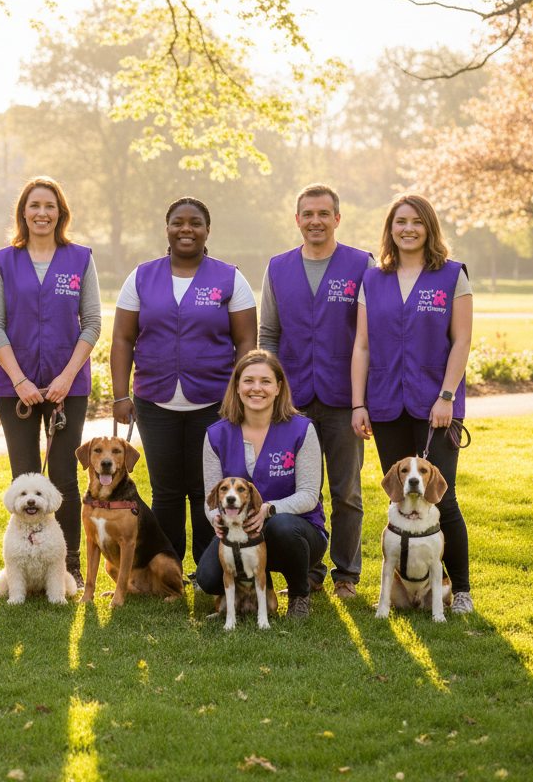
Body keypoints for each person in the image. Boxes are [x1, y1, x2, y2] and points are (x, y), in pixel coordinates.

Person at [111, 197, 257, 573]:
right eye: (178, 222)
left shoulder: (229, 278)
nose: (186, 229)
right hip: (153, 401)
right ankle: (169, 566)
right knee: (166, 490)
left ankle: (211, 568)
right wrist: (121, 395)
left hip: (213, 403)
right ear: (167, 229)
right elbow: (123, 339)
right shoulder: (141, 276)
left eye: (195, 223)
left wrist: (239, 397)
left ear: (208, 230)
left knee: (205, 489)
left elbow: (245, 342)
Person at [351, 192, 474, 614]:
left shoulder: (452, 275)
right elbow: (363, 346)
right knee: (400, 496)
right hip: (385, 403)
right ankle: (399, 588)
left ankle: (460, 591)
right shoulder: (373, 279)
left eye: (417, 222)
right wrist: (357, 403)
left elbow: (461, 340)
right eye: (400, 221)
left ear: (429, 228)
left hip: (435, 405)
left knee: (443, 497)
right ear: (390, 229)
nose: (408, 229)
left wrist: (446, 396)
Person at [0, 176, 101, 585]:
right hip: (14, 387)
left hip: (69, 385)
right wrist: (19, 381)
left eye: (49, 206)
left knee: (66, 477)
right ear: (23, 213)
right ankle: (25, 564)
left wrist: (68, 377)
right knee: (25, 474)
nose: (41, 213)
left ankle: (66, 563)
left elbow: (93, 323)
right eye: (34, 205)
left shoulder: (81, 258)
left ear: (60, 213)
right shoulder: (4, 261)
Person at [260, 183, 373, 599]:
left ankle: (347, 574)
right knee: (298, 490)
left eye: (324, 214)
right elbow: (268, 332)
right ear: (297, 220)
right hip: (293, 401)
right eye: (308, 214)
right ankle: (308, 570)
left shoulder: (361, 264)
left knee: (347, 491)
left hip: (344, 398)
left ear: (337, 219)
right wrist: (270, 390)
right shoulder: (277, 267)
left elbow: (368, 334)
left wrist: (364, 398)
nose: (315, 221)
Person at [197, 350, 327, 619]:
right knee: (208, 578)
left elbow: (309, 495)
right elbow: (211, 500)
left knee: (281, 527)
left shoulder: (302, 429)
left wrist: (269, 509)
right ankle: (256, 576)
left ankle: (299, 594)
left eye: (266, 381)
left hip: (296, 531)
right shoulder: (215, 435)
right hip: (239, 533)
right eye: (248, 381)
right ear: (237, 387)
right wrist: (216, 520)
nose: (257, 388)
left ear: (279, 388)